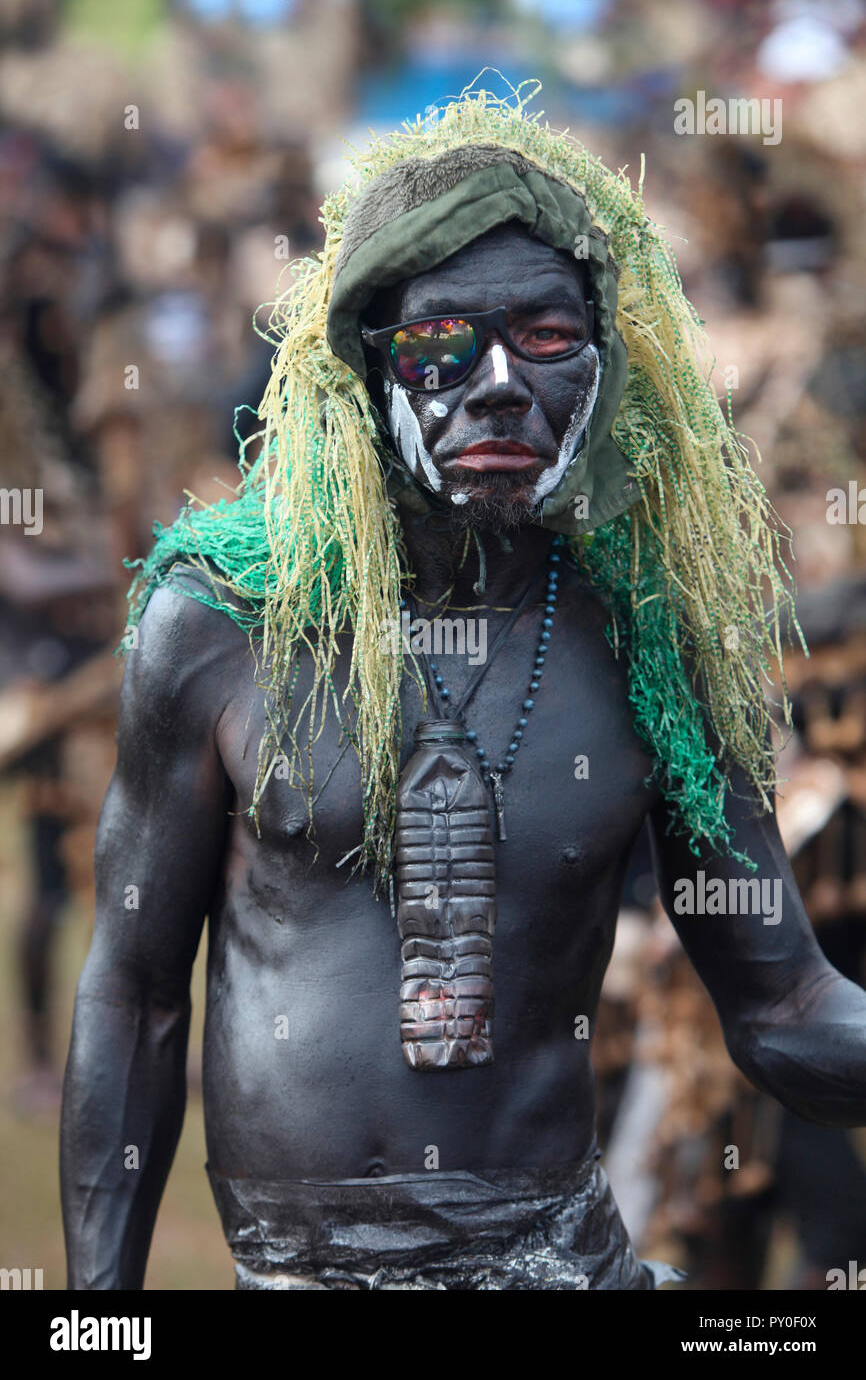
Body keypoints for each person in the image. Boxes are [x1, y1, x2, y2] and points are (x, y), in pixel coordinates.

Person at [61, 90, 866, 1291]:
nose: (496, 385)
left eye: (543, 339)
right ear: (362, 364)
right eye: (443, 346)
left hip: (560, 1259)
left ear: (601, 368)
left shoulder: (651, 637)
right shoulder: (222, 622)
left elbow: (783, 1000)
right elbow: (133, 994)